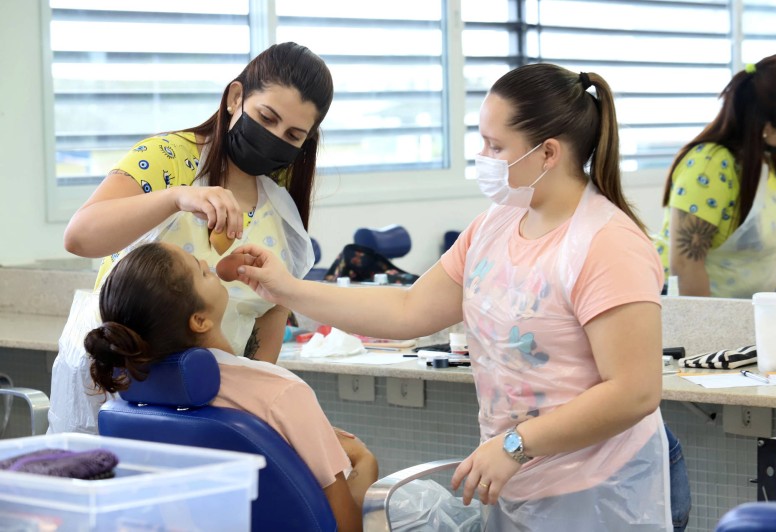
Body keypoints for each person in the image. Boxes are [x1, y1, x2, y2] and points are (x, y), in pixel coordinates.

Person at [226, 64, 672, 530]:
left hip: (597, 488)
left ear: (548, 154)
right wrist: (288, 288)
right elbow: (409, 309)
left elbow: (634, 391)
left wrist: (517, 443)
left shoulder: (607, 243)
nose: (484, 157)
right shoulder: (496, 223)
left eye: (496, 147)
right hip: (516, 480)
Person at [48, 41, 333, 434]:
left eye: (293, 134)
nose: (274, 138)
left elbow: (270, 323)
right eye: (266, 118)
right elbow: (80, 238)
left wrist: (255, 407)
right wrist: (175, 197)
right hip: (117, 395)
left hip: (216, 406)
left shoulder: (280, 206)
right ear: (236, 97)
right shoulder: (168, 160)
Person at [84, 242, 378, 532]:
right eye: (201, 271)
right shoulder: (281, 392)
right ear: (199, 320)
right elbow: (346, 526)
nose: (208, 263)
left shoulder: (128, 408)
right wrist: (364, 459)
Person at [654, 54, 776, 298]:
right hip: (690, 303)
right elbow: (686, 265)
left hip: (747, 306)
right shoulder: (709, 166)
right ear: (766, 126)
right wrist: (709, 330)